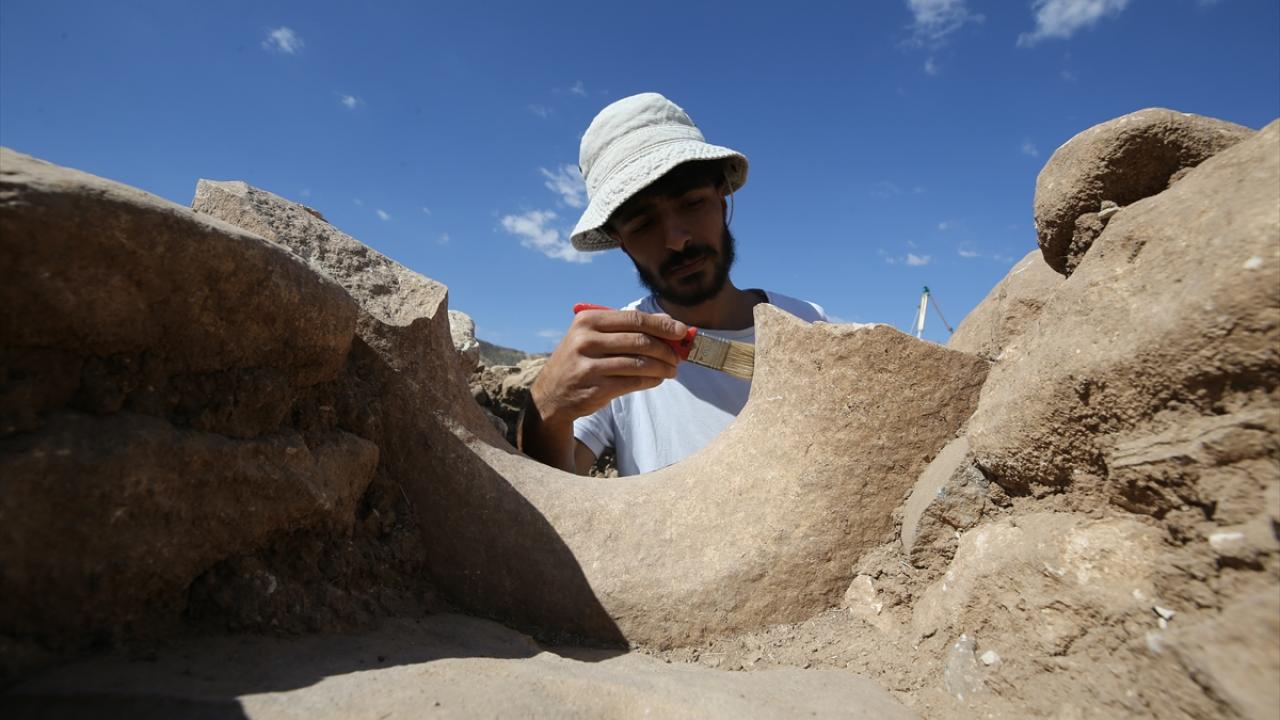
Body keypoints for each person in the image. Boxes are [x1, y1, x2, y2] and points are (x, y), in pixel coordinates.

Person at [519, 92, 826, 476]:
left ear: (723, 197)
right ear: (621, 242)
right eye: (644, 224)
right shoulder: (617, 354)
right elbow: (553, 491)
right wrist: (547, 406)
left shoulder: (808, 324)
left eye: (692, 203)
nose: (677, 239)